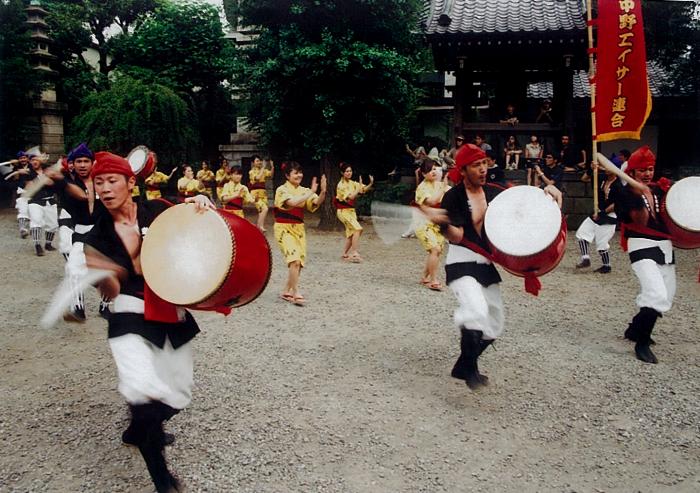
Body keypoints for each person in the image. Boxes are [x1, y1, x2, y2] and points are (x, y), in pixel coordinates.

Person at [81, 151, 214, 492]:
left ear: (131, 182)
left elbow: (195, 230)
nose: (106, 189)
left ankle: (140, 430)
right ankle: (163, 481)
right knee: (142, 391)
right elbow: (109, 293)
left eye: (112, 181)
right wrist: (102, 275)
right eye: (99, 183)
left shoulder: (159, 210)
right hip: (127, 312)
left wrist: (199, 202)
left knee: (178, 394)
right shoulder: (96, 238)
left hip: (169, 306)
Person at [423, 144, 561, 390]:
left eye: (484, 163)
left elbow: (524, 204)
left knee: (495, 323)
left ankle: (464, 364)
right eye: (477, 165)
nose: (483, 169)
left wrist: (548, 192)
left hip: (485, 263)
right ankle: (470, 370)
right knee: (475, 309)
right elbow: (457, 237)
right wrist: (443, 224)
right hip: (462, 260)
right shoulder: (453, 197)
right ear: (463, 170)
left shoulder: (496, 192)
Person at [615, 146, 676, 364]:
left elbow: (674, 215)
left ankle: (634, 329)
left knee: (666, 296)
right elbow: (640, 221)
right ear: (631, 173)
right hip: (641, 245)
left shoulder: (659, 189)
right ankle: (642, 342)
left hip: (665, 246)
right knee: (656, 292)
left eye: (650, 169)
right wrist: (639, 194)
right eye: (642, 171)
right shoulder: (623, 193)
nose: (648, 174)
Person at [47, 142, 110, 321]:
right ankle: (78, 309)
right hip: (81, 233)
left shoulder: (104, 181)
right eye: (78, 161)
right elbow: (56, 184)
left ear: (92, 163)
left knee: (110, 271)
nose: (82, 165)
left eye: (86, 161)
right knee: (74, 269)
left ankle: (105, 307)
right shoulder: (66, 182)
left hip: (104, 231)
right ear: (72, 164)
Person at [273, 162, 327, 306]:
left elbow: (315, 203)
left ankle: (286, 291)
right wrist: (310, 192)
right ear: (287, 175)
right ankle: (296, 292)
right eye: (295, 173)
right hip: (283, 228)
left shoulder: (304, 190)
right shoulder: (282, 190)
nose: (299, 175)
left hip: (299, 229)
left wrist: (322, 192)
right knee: (294, 260)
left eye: (300, 172)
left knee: (299, 263)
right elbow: (293, 202)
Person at [574, 163, 622, 273]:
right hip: (597, 211)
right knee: (582, 233)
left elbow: (616, 204)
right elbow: (584, 178)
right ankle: (585, 258)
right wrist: (591, 170)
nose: (607, 169)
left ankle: (607, 265)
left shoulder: (618, 186)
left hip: (609, 215)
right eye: (606, 166)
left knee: (602, 243)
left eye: (610, 167)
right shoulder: (601, 178)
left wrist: (603, 213)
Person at [414, 158, 449, 291]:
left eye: (434, 169)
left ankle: (425, 277)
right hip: (423, 224)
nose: (433, 172)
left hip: (437, 224)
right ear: (423, 174)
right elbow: (432, 201)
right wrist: (444, 186)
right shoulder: (421, 188)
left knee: (436, 252)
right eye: (429, 170)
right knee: (435, 250)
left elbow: (452, 192)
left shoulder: (439, 184)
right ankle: (433, 280)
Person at [335, 162, 373, 262]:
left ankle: (344, 254)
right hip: (343, 211)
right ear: (342, 173)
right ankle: (354, 252)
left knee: (352, 233)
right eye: (347, 171)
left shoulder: (352, 183)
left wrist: (370, 183)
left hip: (350, 211)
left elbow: (363, 189)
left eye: (350, 171)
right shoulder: (341, 185)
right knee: (358, 229)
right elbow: (351, 197)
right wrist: (358, 187)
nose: (349, 173)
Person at [26, 152, 59, 256]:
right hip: (35, 201)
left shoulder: (47, 170)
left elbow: (52, 183)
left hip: (50, 200)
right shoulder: (28, 173)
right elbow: (29, 186)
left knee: (53, 224)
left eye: (36, 159)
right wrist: (42, 179)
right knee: (36, 222)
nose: (34, 161)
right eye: (32, 160)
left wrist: (41, 179)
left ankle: (48, 244)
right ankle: (37, 246)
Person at [248, 155, 273, 231]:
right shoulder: (251, 172)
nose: (259, 162)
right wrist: (263, 168)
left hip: (263, 193)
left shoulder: (264, 170)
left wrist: (272, 167)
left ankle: (259, 226)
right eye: (257, 161)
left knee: (261, 210)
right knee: (264, 209)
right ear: (253, 163)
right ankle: (260, 226)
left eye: (260, 161)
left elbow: (271, 175)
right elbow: (258, 178)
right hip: (255, 194)